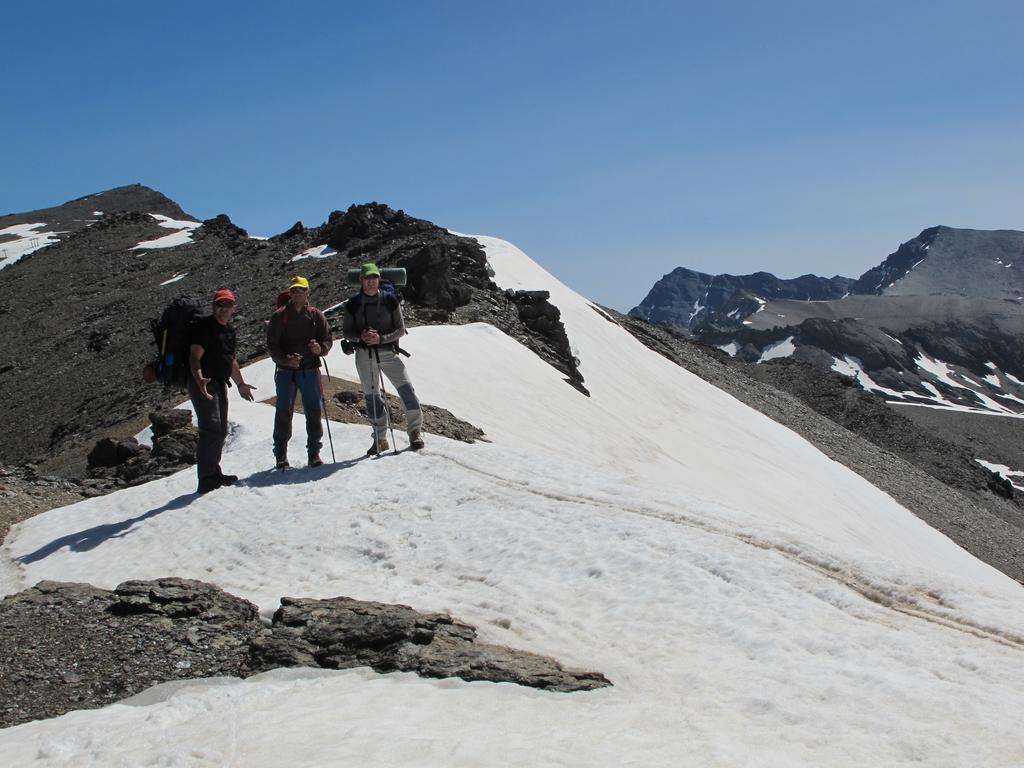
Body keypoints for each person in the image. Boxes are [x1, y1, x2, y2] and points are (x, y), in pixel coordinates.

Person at [342, 262, 424, 455]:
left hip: (388, 352)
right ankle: (380, 438)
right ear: (361, 280)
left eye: (374, 278)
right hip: (364, 353)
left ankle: (414, 432)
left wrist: (381, 338)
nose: (371, 282)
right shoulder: (352, 304)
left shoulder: (390, 300)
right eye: (367, 279)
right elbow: (346, 331)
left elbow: (400, 329)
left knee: (407, 390)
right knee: (372, 397)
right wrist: (360, 337)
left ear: (379, 279)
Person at [188, 289, 257, 494]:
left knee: (220, 429)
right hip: (204, 383)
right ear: (213, 306)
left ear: (233, 308)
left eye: (227, 305)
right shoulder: (204, 327)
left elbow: (231, 360)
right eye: (220, 305)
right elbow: (194, 356)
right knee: (211, 427)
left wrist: (241, 384)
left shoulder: (229, 331)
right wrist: (199, 378)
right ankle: (206, 478)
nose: (223, 309)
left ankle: (214, 472)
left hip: (219, 383)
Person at [267, 276, 333, 468]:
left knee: (311, 411)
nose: (297, 294)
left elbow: (327, 338)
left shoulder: (315, 315)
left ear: (307, 293)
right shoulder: (279, 316)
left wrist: (320, 348)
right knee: (284, 412)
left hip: (307, 370)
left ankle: (313, 452)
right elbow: (273, 345)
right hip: (290, 371)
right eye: (294, 291)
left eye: (301, 290)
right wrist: (287, 360)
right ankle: (281, 454)